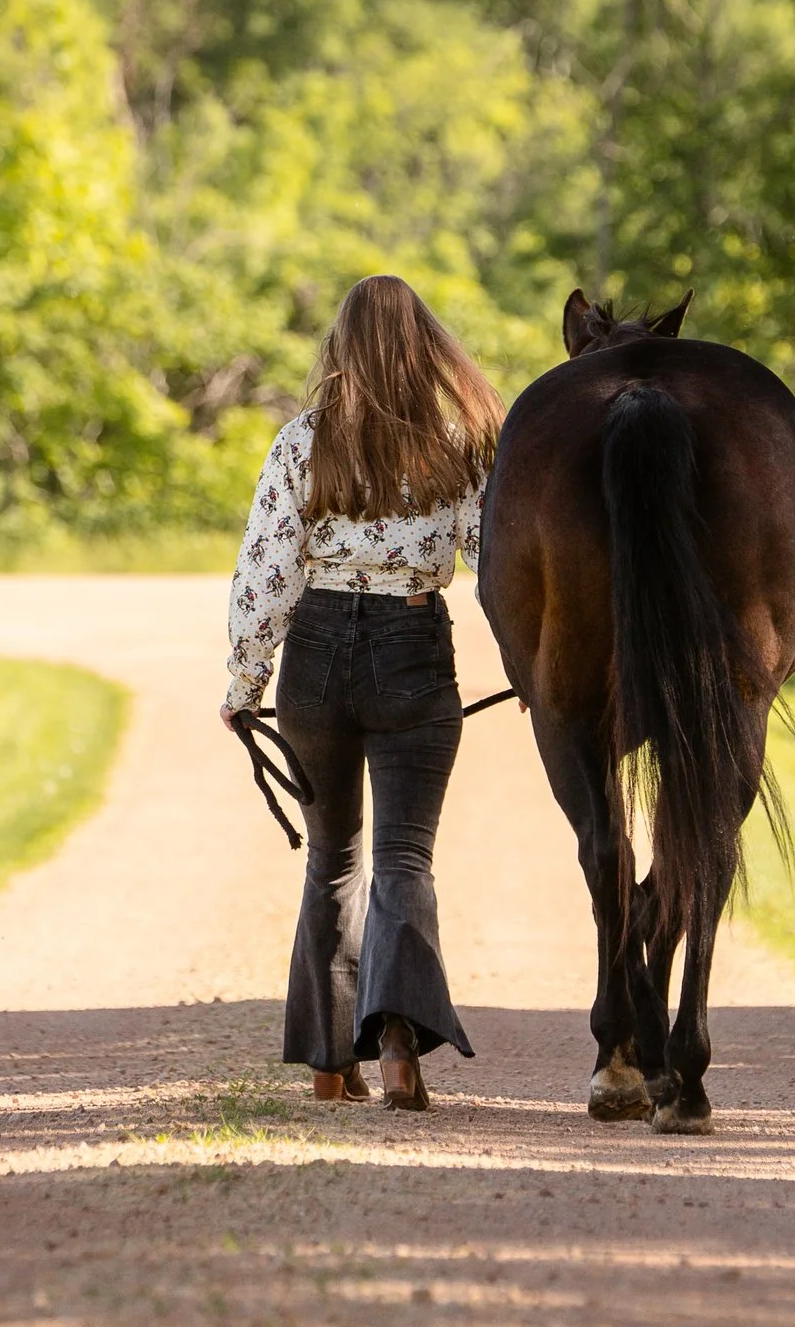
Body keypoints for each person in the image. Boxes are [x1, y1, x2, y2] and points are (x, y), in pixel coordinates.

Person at [220, 274, 503, 1110]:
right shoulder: (459, 446)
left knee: (332, 859)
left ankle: (326, 1062)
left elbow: (265, 575)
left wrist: (243, 683)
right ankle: (398, 1044)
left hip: (315, 653)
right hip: (414, 647)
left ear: (339, 347)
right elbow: (500, 568)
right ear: (425, 346)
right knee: (404, 856)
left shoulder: (302, 442)